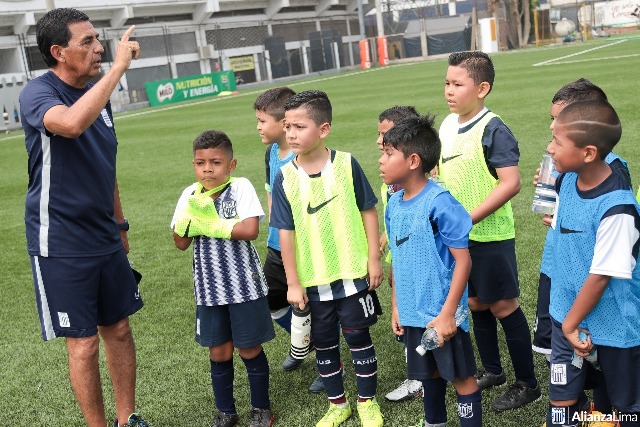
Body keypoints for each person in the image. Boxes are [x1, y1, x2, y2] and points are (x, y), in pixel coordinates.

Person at [19, 8, 149, 427]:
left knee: (120, 329)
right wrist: (119, 69)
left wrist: (120, 224)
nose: (99, 48)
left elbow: (105, 168)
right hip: (60, 239)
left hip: (104, 235)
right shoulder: (38, 93)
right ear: (59, 52)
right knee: (83, 343)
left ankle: (128, 419)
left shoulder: (98, 95)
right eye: (87, 42)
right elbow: (71, 124)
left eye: (97, 39)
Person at [270, 90, 384, 427]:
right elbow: (286, 233)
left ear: (323, 129)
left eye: (299, 127)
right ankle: (338, 405)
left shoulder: (347, 164)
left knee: (358, 338)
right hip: (312, 280)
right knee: (324, 343)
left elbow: (368, 210)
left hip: (352, 273)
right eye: (287, 126)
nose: (291, 134)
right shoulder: (285, 176)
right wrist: (293, 282)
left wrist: (373, 259)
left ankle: (367, 402)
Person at [438, 51, 540, 411]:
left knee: (503, 306)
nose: (449, 91)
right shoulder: (447, 125)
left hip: (491, 236)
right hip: (459, 238)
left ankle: (527, 383)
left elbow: (510, 183)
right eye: (447, 83)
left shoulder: (493, 128)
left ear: (482, 88)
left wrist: (468, 218)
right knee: (475, 303)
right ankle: (493, 371)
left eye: (458, 84)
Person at [533, 79, 631, 421]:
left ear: (588, 152)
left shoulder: (618, 205)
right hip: (565, 309)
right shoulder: (567, 179)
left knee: (624, 407)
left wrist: (571, 323)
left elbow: (602, 272)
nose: (549, 147)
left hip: (610, 321)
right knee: (560, 406)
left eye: (557, 141)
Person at [381, 115, 482, 427]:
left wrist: (448, 314)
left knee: (462, 378)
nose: (381, 161)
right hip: (412, 312)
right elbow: (398, 260)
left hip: (442, 315)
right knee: (429, 376)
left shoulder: (440, 203)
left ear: (413, 161)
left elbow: (463, 261)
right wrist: (397, 307)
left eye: (388, 154)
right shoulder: (393, 204)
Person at [171, 130, 275, 427]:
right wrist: (189, 219)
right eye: (200, 163)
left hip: (244, 286)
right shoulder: (190, 195)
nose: (207, 169)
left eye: (215, 162)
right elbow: (180, 242)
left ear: (231, 165)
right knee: (218, 351)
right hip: (209, 290)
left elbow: (250, 230)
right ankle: (226, 412)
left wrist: (208, 224)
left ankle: (261, 409)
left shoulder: (240, 187)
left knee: (249, 348)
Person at [254, 86, 329, 393]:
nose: (258, 127)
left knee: (316, 305)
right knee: (272, 300)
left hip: (304, 247)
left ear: (283, 122)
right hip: (277, 245)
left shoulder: (303, 158)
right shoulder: (271, 153)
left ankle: (327, 362)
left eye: (263, 121)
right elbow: (272, 196)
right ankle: (304, 340)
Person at [375, 105, 424, 403]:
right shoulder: (392, 178)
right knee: (405, 307)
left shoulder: (417, 177)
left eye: (384, 135)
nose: (378, 141)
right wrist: (386, 236)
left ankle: (420, 378)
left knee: (417, 311)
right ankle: (419, 372)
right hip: (401, 251)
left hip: (415, 255)